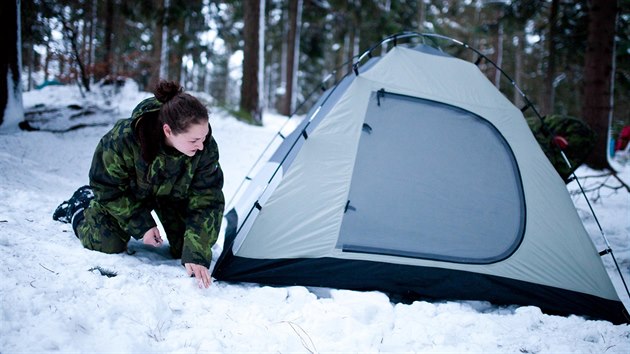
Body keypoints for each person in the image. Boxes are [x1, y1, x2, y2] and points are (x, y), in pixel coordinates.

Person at [53, 80, 224, 288]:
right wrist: (141, 225)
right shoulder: (124, 138)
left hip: (174, 197)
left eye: (204, 137)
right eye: (193, 141)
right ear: (168, 131)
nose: (201, 146)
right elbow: (106, 185)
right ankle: (80, 206)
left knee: (187, 251)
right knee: (104, 242)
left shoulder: (204, 146)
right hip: (130, 195)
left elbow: (208, 199)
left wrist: (197, 253)